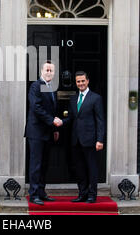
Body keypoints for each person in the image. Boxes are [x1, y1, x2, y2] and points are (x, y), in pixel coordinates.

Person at [60, 71, 105, 203]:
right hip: (76, 140)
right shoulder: (73, 99)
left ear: (88, 81)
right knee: (79, 169)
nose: (80, 83)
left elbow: (100, 120)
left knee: (91, 168)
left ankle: (92, 195)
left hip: (91, 140)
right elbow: (71, 118)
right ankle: (82, 194)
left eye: (82, 81)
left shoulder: (96, 98)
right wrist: (61, 121)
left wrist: (100, 139)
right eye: (78, 81)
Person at [24, 61, 62, 205]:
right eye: (47, 70)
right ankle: (33, 195)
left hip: (47, 132)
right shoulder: (35, 86)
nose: (49, 72)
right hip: (36, 133)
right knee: (36, 164)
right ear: (41, 71)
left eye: (51, 70)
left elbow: (52, 110)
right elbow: (36, 107)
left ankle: (41, 192)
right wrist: (52, 121)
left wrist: (55, 129)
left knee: (44, 164)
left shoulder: (51, 87)